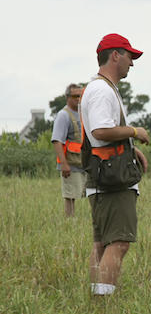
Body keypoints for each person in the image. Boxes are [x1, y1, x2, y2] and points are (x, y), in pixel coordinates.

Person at [80, 33, 150, 296]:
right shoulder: (101, 90)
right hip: (113, 179)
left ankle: (97, 296)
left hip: (102, 176)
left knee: (101, 243)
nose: (132, 63)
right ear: (115, 55)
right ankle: (103, 305)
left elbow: (104, 133)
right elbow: (100, 130)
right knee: (118, 243)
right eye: (129, 56)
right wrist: (134, 132)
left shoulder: (99, 88)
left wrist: (133, 149)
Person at [52, 84, 87, 217]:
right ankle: (70, 222)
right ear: (67, 98)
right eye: (75, 96)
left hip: (84, 162)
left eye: (80, 96)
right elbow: (57, 141)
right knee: (70, 196)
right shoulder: (63, 115)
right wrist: (64, 164)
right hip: (70, 164)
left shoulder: (83, 113)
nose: (78, 99)